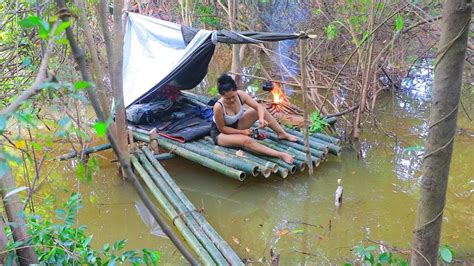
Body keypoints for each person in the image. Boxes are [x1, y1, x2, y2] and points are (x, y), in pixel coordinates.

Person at [210, 73, 297, 164]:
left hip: (237, 125)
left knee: (258, 111)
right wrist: (242, 132)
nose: (231, 100)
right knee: (246, 140)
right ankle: (280, 155)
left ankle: (282, 133)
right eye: (227, 98)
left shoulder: (241, 95)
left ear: (236, 91)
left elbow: (258, 107)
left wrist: (261, 119)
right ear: (221, 96)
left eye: (233, 96)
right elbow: (223, 129)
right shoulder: (218, 107)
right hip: (221, 134)